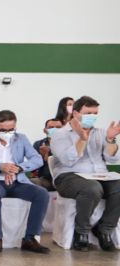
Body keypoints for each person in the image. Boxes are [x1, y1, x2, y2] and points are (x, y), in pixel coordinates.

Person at [0, 110, 50, 253]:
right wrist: (1, 167)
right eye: (4, 130)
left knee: (42, 194)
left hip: (17, 182)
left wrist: (19, 168)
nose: (8, 133)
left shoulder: (21, 138)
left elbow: (37, 159)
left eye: (11, 129)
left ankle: (30, 238)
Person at [50, 95, 120, 251]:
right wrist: (82, 138)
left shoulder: (101, 132)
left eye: (95, 113)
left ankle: (105, 228)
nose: (92, 117)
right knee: (92, 188)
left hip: (100, 175)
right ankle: (81, 232)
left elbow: (113, 159)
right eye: (88, 113)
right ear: (75, 114)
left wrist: (110, 139)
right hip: (69, 177)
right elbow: (68, 160)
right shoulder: (60, 134)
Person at [30, 118, 62, 191]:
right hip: (46, 179)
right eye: (51, 127)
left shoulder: (68, 143)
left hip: (64, 179)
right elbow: (33, 168)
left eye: (58, 127)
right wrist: (42, 156)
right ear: (45, 130)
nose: (55, 129)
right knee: (29, 182)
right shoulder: (38, 144)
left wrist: (49, 154)